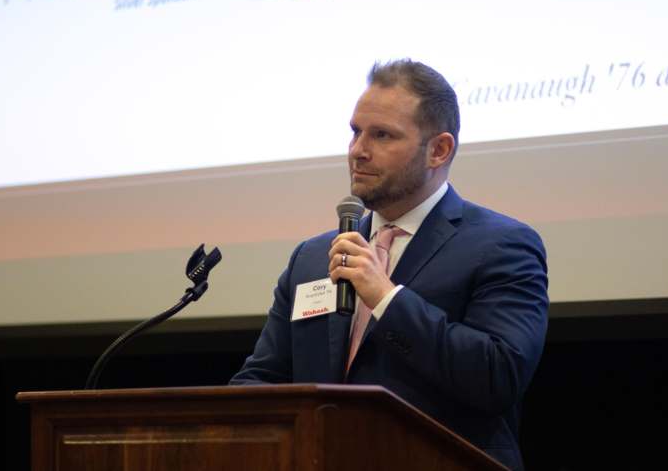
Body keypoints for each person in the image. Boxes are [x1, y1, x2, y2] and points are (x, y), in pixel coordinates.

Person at [230, 59, 548, 470]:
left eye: (381, 135)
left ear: (439, 150)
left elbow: (497, 376)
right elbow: (262, 380)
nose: (358, 151)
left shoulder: (502, 244)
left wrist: (386, 298)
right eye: (355, 132)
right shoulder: (311, 257)